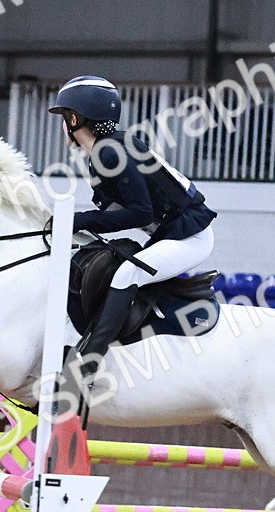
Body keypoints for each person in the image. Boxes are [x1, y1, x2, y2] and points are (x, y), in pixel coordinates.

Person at [48, 75, 217, 384]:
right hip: (173, 232)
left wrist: (81, 220)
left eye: (63, 118)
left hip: (191, 236)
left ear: (74, 119)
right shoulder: (103, 152)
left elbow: (140, 213)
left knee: (127, 273)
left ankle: (90, 361)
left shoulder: (110, 152)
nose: (62, 126)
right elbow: (119, 213)